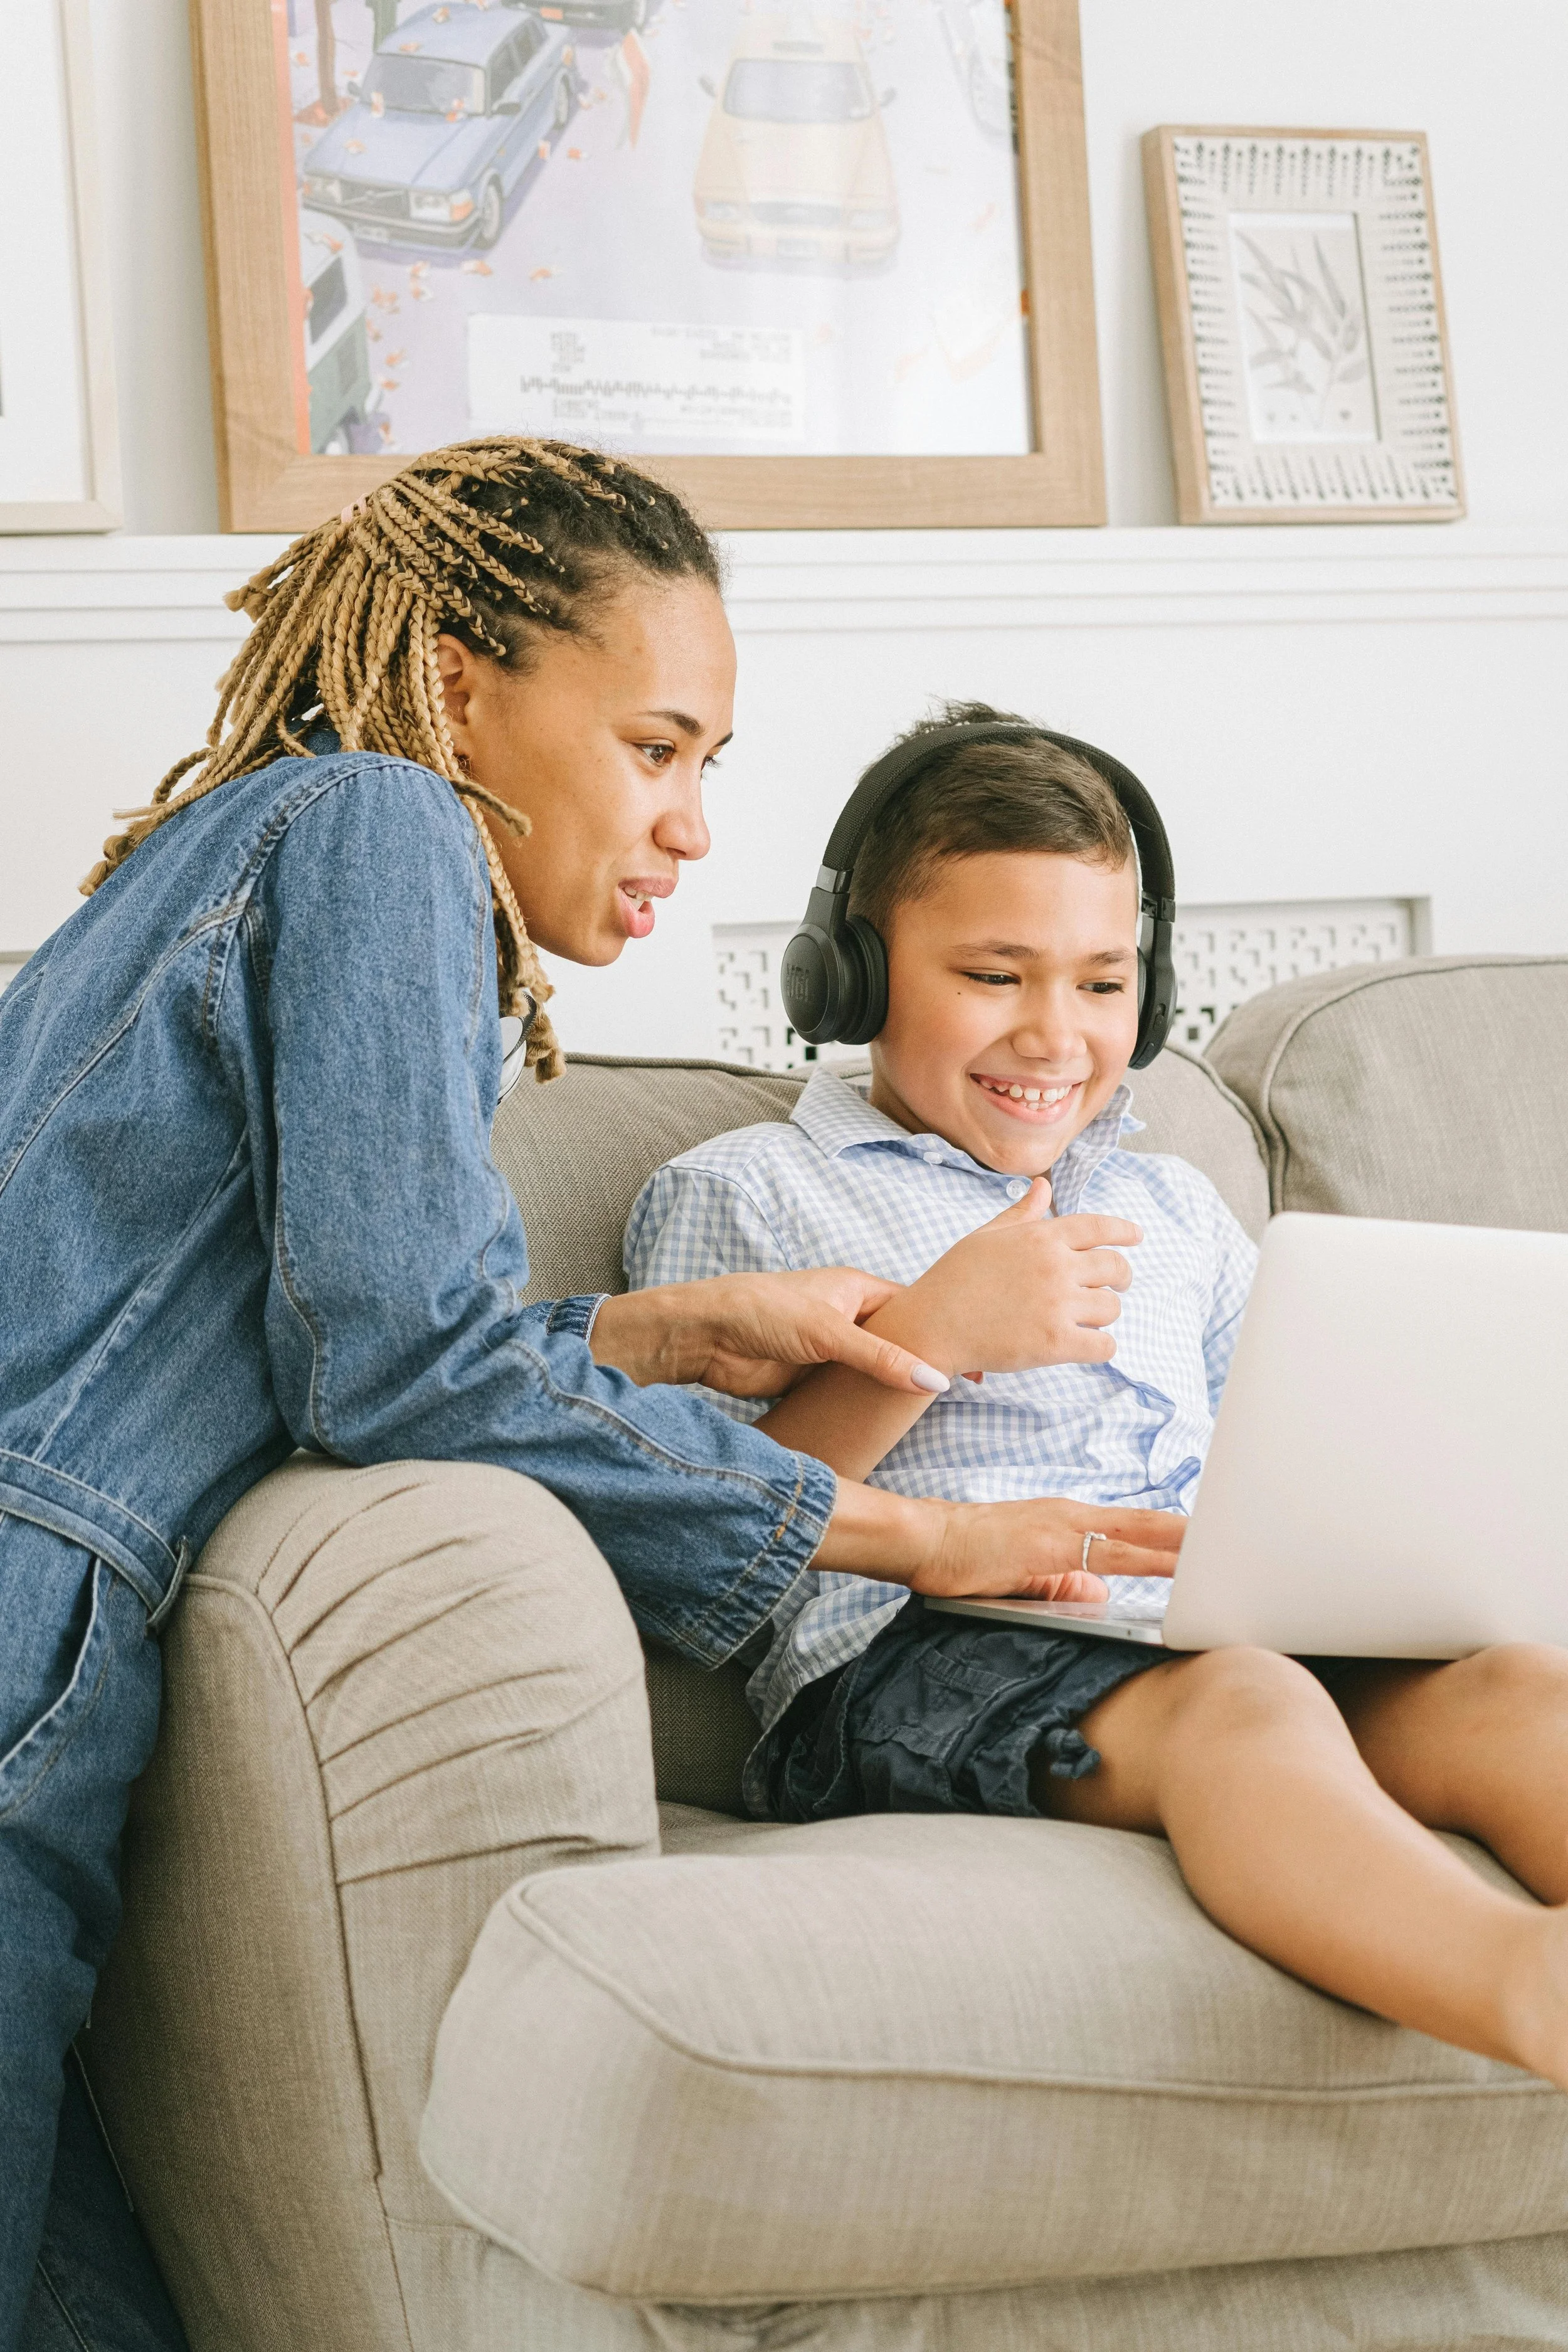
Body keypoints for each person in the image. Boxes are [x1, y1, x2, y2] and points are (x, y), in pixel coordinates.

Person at [0, 446, 1175, 2349]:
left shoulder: (273, 838)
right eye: (656, 747)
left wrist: (660, 1334)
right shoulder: (380, 821)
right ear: (461, 686)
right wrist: (909, 1529)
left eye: (709, 762)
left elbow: (305, 1342)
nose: (694, 825)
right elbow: (403, 1371)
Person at [625, 703, 1568, 2090]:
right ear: (851, 974)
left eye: (1100, 982)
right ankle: (1521, 1990)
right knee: (1242, 1705)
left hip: (1200, 1621)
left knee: (1518, 1692)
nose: (1052, 1034)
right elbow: (711, 1550)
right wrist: (929, 1339)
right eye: (993, 975)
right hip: (909, 1658)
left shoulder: (1167, 1201)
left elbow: (1296, 1446)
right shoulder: (746, 1193)